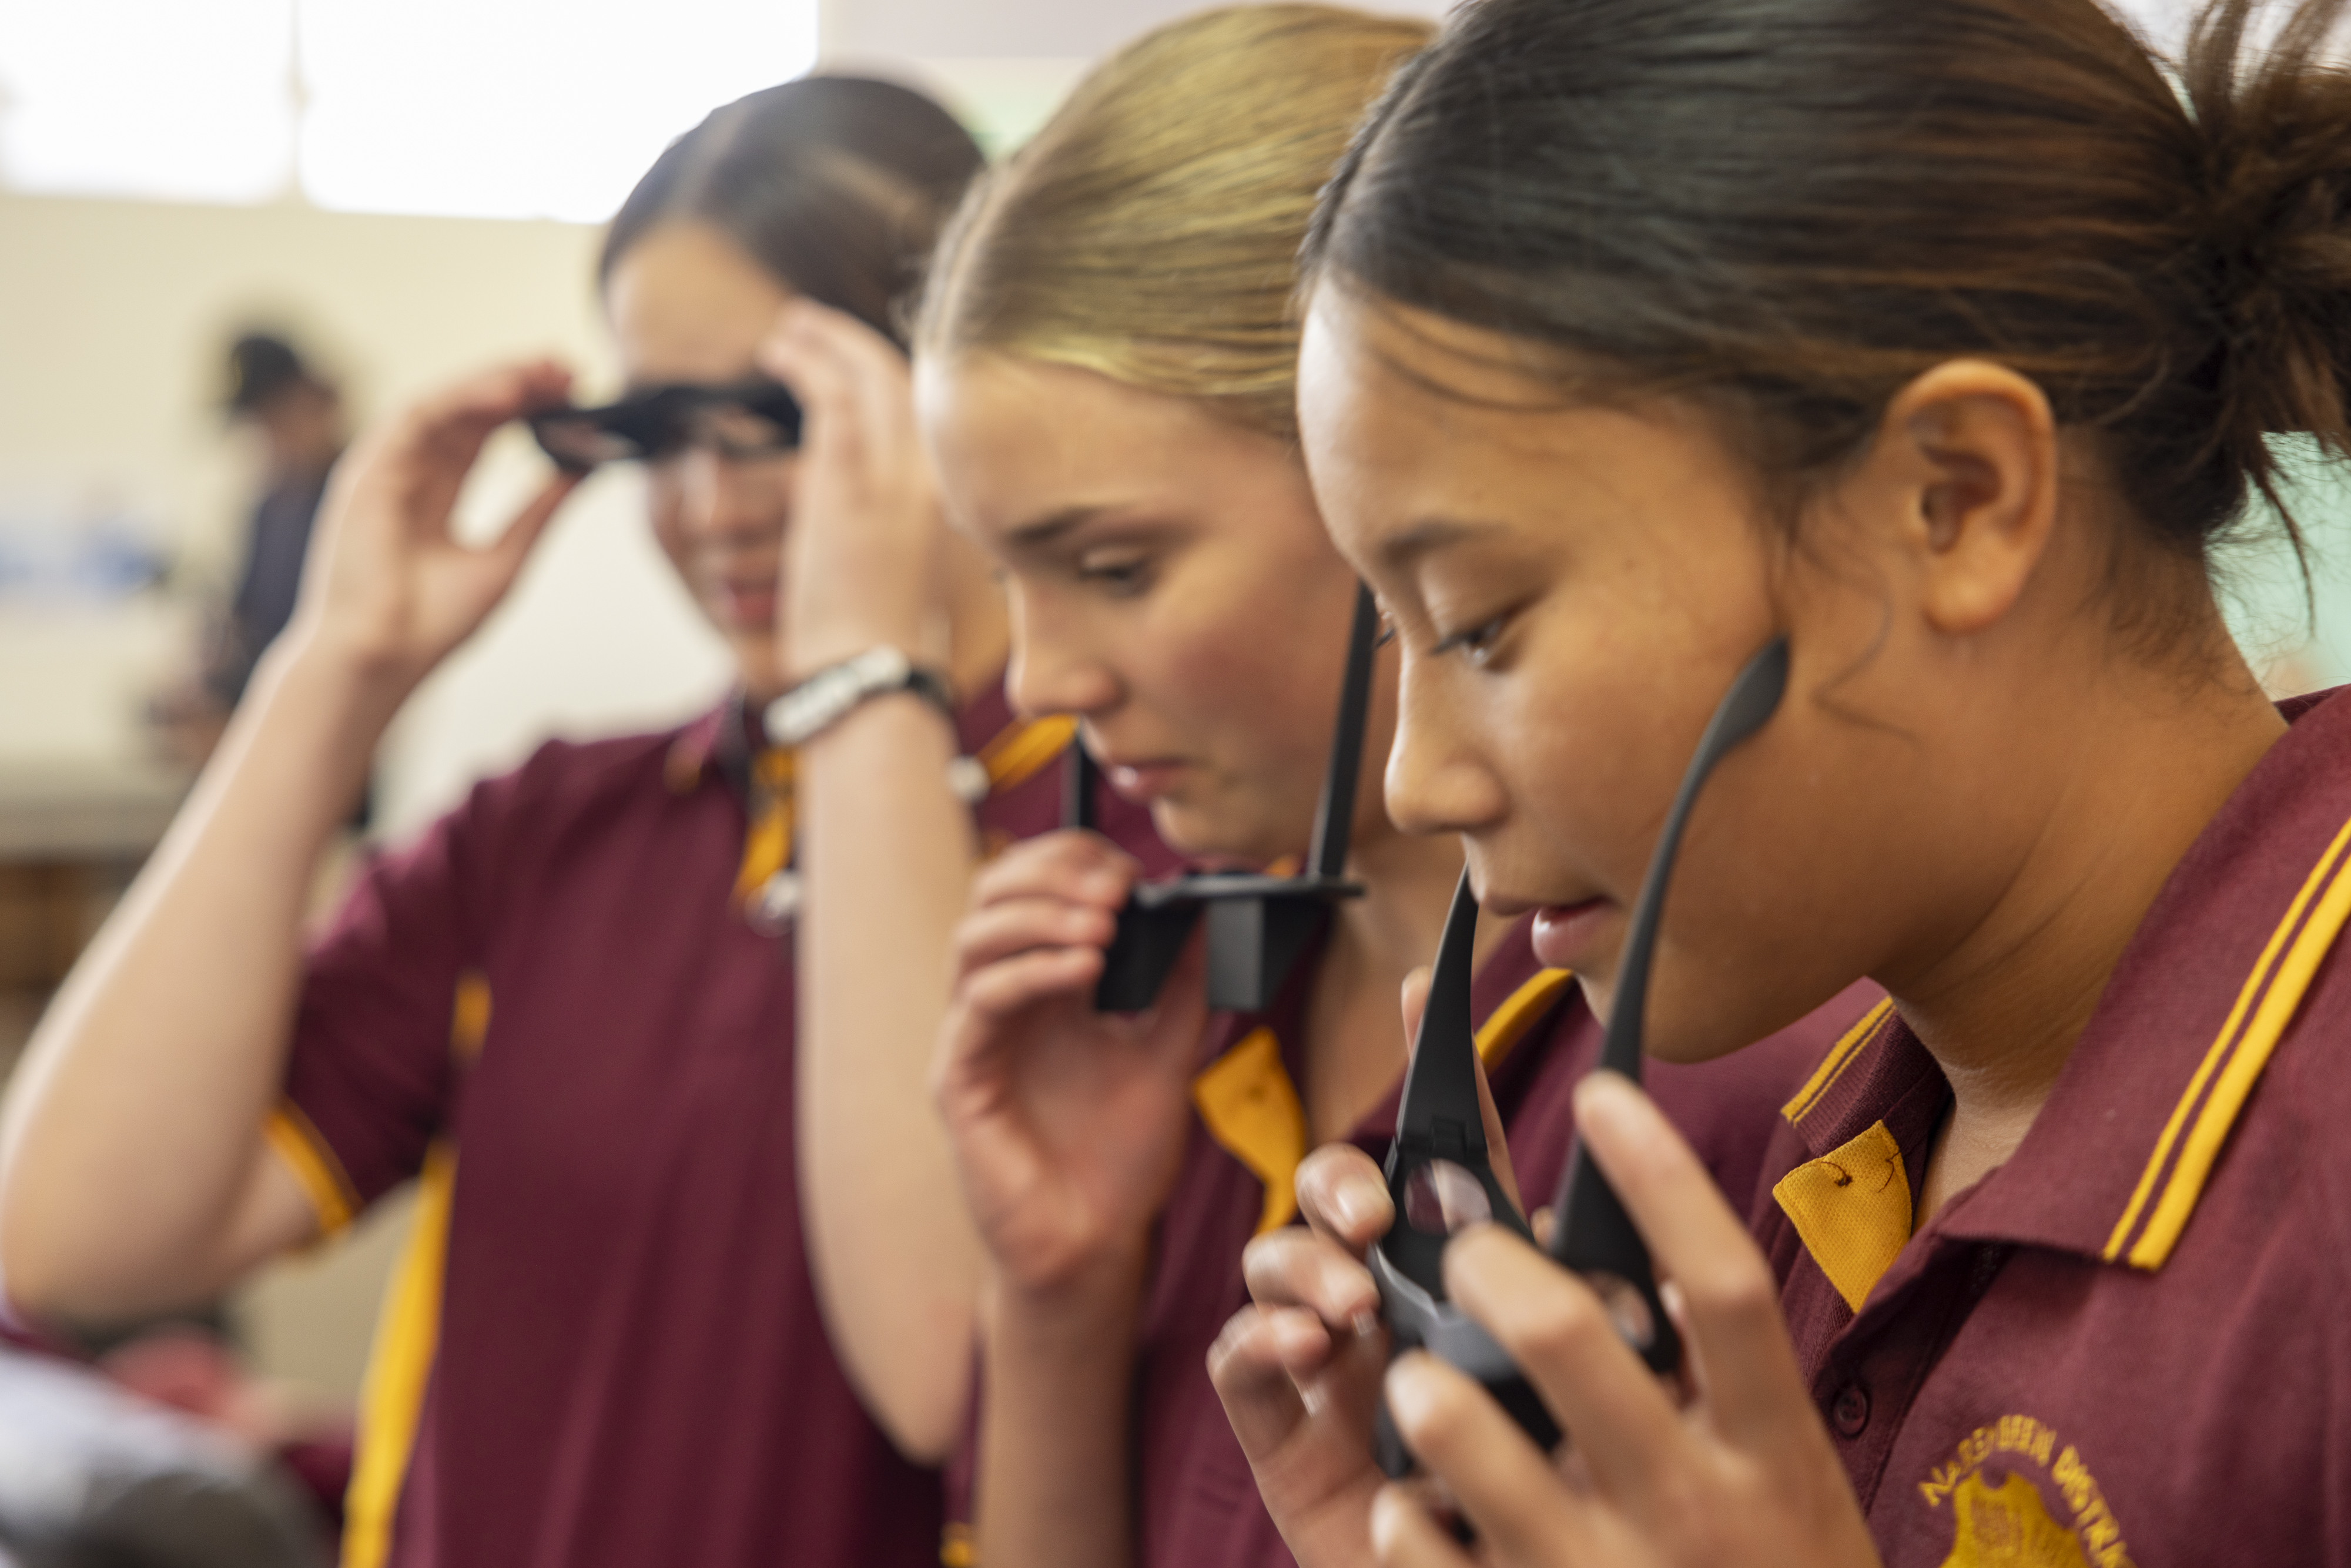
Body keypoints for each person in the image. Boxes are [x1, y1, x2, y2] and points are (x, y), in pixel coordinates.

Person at [1217, 0, 2351, 1562]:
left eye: (1480, 620)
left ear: (1952, 500)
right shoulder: (1834, 1156)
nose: (1415, 780)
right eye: (1392, 637)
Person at [0, 76, 1151, 1568]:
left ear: (964, 389)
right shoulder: (551, 831)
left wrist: (869, 679)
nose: (708, 503)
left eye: (776, 420)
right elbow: (73, 1240)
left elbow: (949, 1370)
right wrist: (335, 672)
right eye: (660, 432)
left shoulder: (1125, 839)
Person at [895, 9, 1883, 1566]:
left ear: (1382, 481)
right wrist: (1056, 1292)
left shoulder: (1741, 1056)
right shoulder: (1169, 1015)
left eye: (1113, 565)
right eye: (1003, 575)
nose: (1038, 681)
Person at [150, 333, 350, 772]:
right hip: (275, 737)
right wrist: (206, 686)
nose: (267, 437)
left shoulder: (359, 497)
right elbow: (245, 621)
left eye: (272, 418)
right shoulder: (269, 508)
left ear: (310, 400)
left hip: (338, 743)